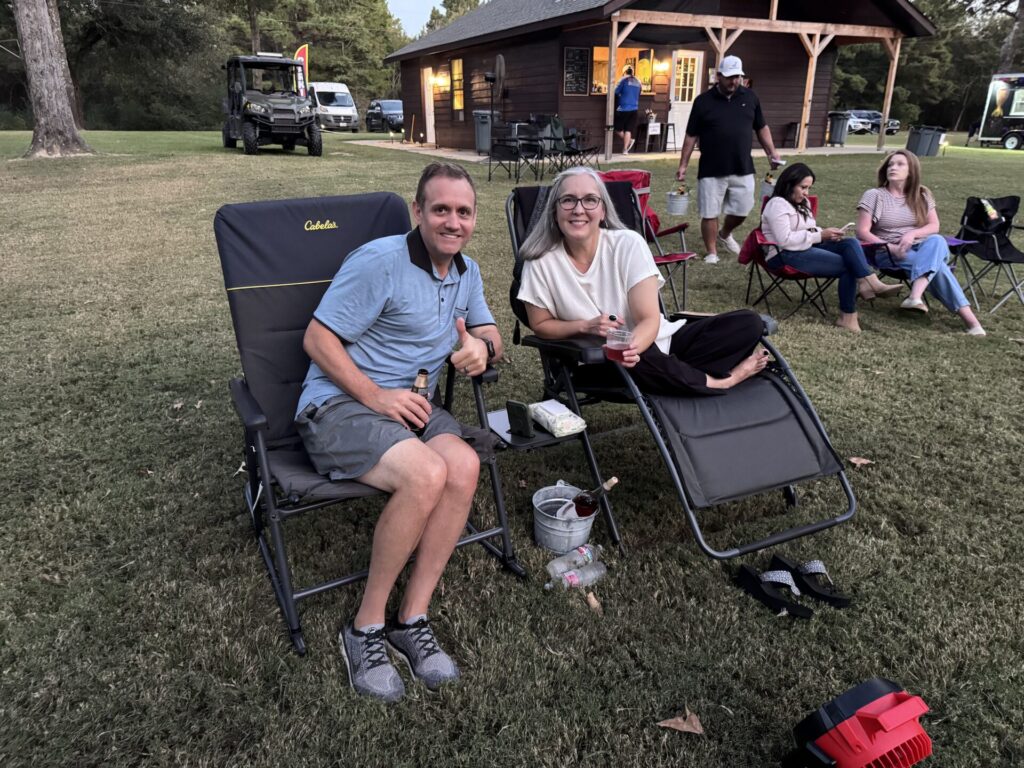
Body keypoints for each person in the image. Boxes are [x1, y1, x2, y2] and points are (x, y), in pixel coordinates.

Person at [295, 162, 504, 702]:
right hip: (340, 405)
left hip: (413, 406)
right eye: (441, 209)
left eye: (463, 212)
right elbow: (317, 340)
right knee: (426, 473)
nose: (452, 222)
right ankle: (365, 627)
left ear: (473, 219)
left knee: (464, 466)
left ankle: (411, 619)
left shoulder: (467, 272)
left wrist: (481, 347)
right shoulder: (380, 262)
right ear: (418, 211)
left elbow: (489, 331)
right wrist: (376, 396)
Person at [517, 167, 767, 396]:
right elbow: (540, 324)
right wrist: (586, 326)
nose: (579, 209)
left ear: (603, 211)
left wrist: (631, 347)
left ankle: (677, 374)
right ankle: (723, 381)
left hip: (651, 344)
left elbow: (649, 319)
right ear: (555, 210)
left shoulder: (627, 244)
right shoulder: (540, 261)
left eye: (590, 200)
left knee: (748, 323)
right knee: (633, 356)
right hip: (603, 361)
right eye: (568, 200)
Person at [856, 150, 986, 336]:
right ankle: (971, 321)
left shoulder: (922, 195)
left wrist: (912, 234)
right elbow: (862, 231)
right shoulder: (875, 195)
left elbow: (934, 225)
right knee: (939, 268)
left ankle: (915, 296)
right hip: (887, 251)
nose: (893, 168)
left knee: (937, 239)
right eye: (890, 164)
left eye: (900, 164)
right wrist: (891, 248)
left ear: (912, 171)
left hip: (921, 247)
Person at [761, 162, 902, 333]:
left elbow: (809, 228)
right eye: (803, 187)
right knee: (849, 265)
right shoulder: (777, 204)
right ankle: (848, 315)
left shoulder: (803, 202)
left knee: (850, 243)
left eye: (809, 188)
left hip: (806, 247)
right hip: (783, 255)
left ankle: (869, 282)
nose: (806, 193)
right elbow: (785, 240)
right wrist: (820, 236)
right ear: (789, 184)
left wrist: (826, 233)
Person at [676, 55, 783, 264]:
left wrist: (772, 153)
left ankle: (724, 234)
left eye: (737, 77)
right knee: (710, 212)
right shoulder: (703, 101)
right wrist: (683, 165)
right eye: (729, 77)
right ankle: (712, 252)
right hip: (711, 167)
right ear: (718, 76)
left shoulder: (750, 98)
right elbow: (691, 135)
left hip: (742, 166)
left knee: (743, 209)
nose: (734, 81)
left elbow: (761, 127)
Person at [614, 66, 642, 154]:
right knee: (628, 130)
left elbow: (615, 92)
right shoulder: (638, 81)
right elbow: (639, 93)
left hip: (623, 108)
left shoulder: (623, 80)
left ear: (624, 72)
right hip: (634, 109)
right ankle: (625, 150)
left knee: (617, 128)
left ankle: (629, 141)